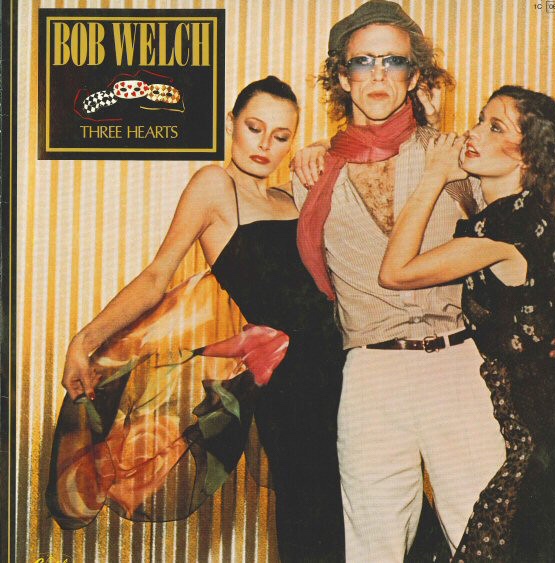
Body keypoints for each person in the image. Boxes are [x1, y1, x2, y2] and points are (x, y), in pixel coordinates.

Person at [292, 1, 555, 559]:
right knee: (372, 544)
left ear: (414, 75)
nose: (378, 75)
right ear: (342, 77)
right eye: (363, 61)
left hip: (457, 365)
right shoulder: (313, 175)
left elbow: (523, 231)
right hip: (370, 373)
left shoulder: (456, 154)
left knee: (485, 535)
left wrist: (552, 330)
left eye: (394, 61)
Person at [52, 76, 346, 562]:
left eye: (281, 136)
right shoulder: (215, 185)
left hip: (345, 366)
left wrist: (324, 148)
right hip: (292, 386)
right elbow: (156, 276)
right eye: (254, 128)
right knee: (313, 514)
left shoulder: (291, 197)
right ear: (231, 124)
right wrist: (83, 342)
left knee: (370, 506)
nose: (265, 145)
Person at [379, 85, 555, 562]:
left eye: (495, 127)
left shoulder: (506, 227)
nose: (475, 132)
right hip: (546, 424)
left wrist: (434, 174)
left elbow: (394, 272)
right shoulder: (516, 215)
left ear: (528, 157)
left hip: (538, 437)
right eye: (480, 119)